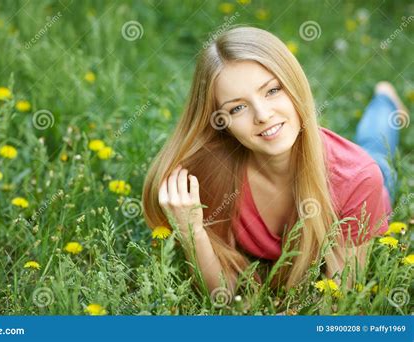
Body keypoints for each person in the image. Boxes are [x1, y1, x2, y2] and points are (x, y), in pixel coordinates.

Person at [142, 26, 408, 297]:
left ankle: (386, 99)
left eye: (272, 90)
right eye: (237, 108)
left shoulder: (357, 178)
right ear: (221, 123)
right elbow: (225, 295)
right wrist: (192, 232)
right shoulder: (211, 172)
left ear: (294, 82)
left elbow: (340, 300)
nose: (262, 114)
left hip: (367, 178)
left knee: (377, 150)